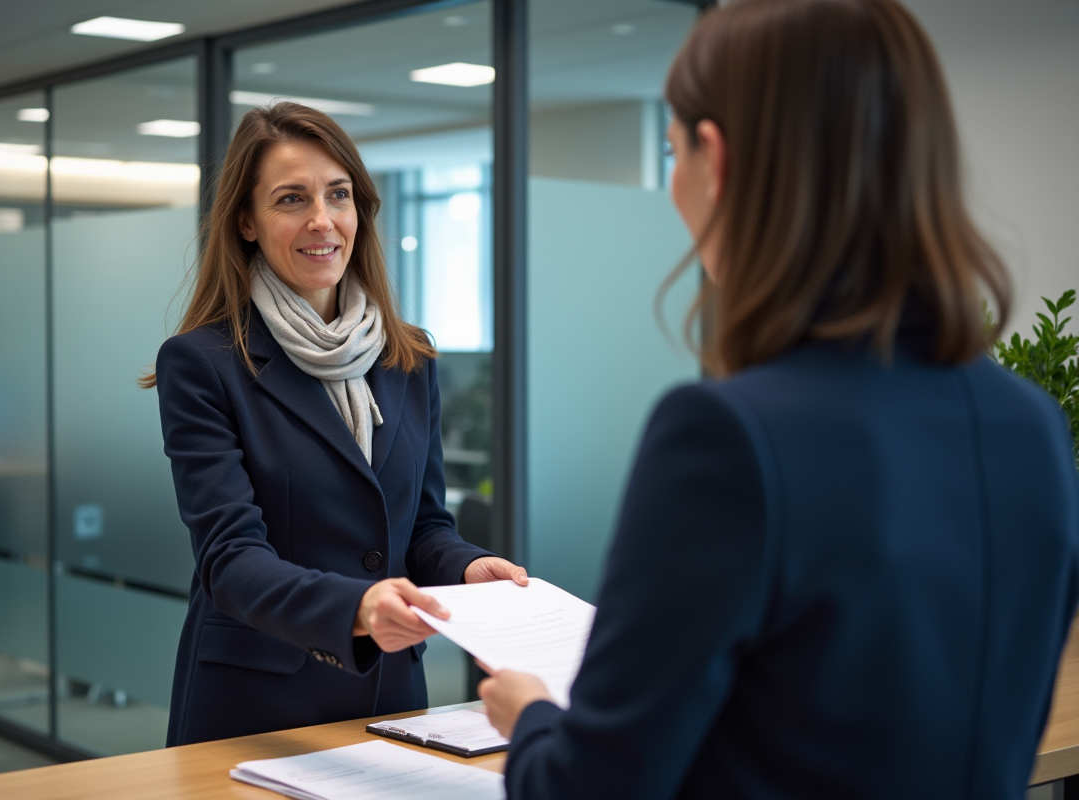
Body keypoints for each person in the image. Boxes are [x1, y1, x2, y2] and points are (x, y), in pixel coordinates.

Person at [478, 0, 1079, 797]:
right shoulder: (1029, 424)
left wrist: (533, 721)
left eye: (672, 155)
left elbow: (594, 787)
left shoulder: (725, 434)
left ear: (715, 159)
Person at [148, 102, 527, 746]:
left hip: (394, 696)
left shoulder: (411, 357)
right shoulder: (204, 364)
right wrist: (354, 608)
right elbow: (230, 561)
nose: (321, 221)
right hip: (258, 707)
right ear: (247, 221)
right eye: (291, 199)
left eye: (338, 195)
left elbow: (424, 526)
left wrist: (468, 567)